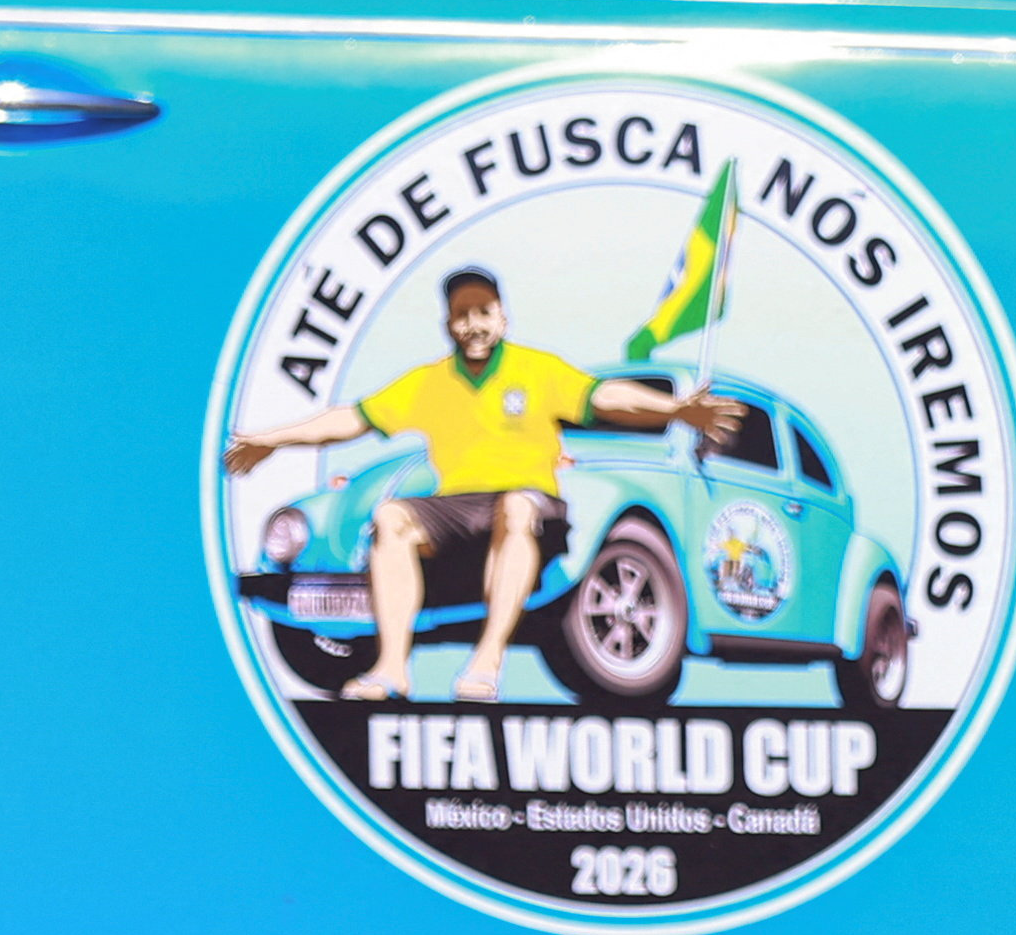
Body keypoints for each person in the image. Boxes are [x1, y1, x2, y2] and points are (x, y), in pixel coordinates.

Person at [224, 269, 741, 701]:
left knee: (516, 508)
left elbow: (605, 398)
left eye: (483, 311)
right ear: (450, 323)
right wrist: (274, 439)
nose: (472, 323)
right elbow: (351, 419)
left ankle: (487, 660)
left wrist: (675, 409)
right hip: (457, 506)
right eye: (461, 314)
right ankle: (390, 668)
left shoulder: (536, 371)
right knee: (391, 517)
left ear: (502, 317)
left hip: (528, 498)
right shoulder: (430, 381)